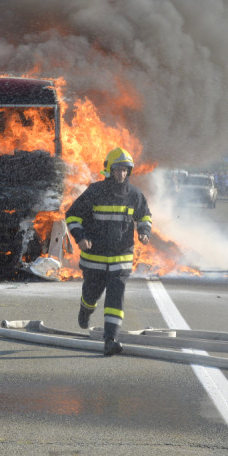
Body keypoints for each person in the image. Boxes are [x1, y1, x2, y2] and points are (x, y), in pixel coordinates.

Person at [65, 147, 152, 355]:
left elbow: (144, 216)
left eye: (124, 170)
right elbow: (72, 216)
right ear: (109, 170)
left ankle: (110, 339)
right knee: (91, 294)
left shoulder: (134, 195)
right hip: (94, 258)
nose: (121, 174)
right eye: (117, 170)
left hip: (121, 258)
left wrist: (144, 231)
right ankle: (85, 310)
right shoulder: (94, 192)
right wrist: (81, 238)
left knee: (116, 297)